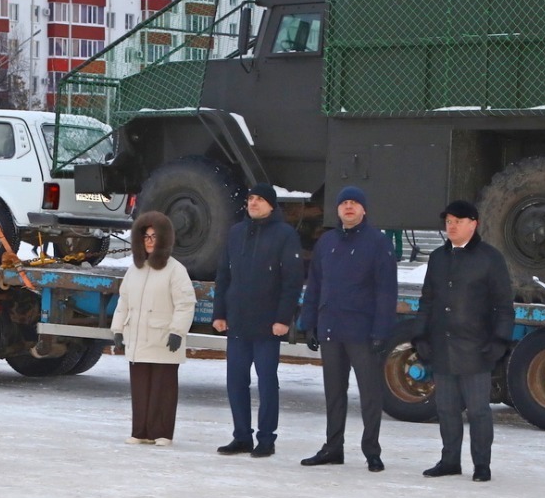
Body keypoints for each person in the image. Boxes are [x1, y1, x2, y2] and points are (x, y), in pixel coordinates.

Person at [411, 200, 513, 482]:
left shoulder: (490, 258)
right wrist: (420, 336)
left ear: (473, 224)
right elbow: (427, 301)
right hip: (443, 345)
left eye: (457, 221)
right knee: (445, 408)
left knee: (479, 410)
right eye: (448, 221)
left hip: (476, 348)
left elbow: (504, 306)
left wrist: (499, 341)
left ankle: (482, 464)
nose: (451, 226)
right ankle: (449, 460)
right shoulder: (438, 258)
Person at [298, 186, 398, 472]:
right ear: (338, 209)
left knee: (369, 394)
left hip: (363, 332)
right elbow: (314, 285)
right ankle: (333, 447)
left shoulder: (378, 243)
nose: (349, 207)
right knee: (334, 393)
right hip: (331, 329)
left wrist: (382, 330)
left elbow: (386, 291)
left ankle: (372, 451)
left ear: (364, 209)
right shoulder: (326, 242)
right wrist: (310, 323)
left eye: (355, 203)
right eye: (344, 203)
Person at [212, 182, 303, 458]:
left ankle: (266, 439)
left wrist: (283, 318)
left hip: (267, 325)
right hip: (238, 321)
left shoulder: (285, 235)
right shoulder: (237, 233)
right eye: (250, 198)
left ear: (271, 205)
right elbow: (223, 275)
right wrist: (219, 313)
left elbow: (292, 280)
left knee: (266, 383)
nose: (253, 203)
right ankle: (241, 436)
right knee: (235, 382)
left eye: (259, 199)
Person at [111, 211, 197, 445]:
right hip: (138, 338)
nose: (149, 241)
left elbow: (186, 303)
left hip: (163, 338)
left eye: (154, 236)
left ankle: (161, 433)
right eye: (145, 236)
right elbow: (123, 302)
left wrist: (178, 332)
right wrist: (117, 330)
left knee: (163, 389)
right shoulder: (134, 270)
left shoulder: (175, 270)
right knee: (140, 389)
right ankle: (140, 431)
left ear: (164, 239)